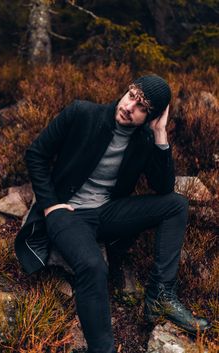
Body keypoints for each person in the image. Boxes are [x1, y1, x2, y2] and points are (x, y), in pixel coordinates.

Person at [14, 75, 211, 353]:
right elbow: (36, 153)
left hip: (106, 212)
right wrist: (50, 204)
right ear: (126, 91)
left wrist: (160, 135)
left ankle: (161, 295)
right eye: (132, 95)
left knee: (176, 204)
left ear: (150, 116)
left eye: (142, 107)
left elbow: (163, 187)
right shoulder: (82, 112)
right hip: (66, 212)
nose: (130, 106)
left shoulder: (143, 139)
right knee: (94, 267)